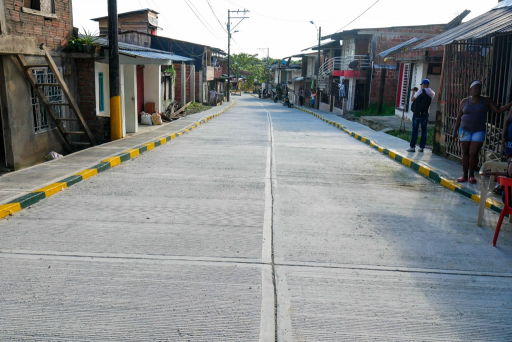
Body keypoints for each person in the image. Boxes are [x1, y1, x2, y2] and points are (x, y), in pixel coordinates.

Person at [453, 80, 512, 183]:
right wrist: (454, 131)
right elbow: (459, 118)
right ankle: (464, 175)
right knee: (465, 153)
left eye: (479, 88)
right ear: (470, 90)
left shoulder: (486, 100)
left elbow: (498, 110)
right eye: (475, 88)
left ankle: (471, 174)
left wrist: (510, 104)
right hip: (464, 130)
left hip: (478, 131)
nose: (477, 90)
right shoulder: (464, 101)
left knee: (473, 152)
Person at [407, 79, 435, 153]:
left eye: (422, 84)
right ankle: (422, 147)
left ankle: (412, 147)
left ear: (424, 85)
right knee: (424, 130)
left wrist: (414, 92)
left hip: (417, 113)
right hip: (425, 113)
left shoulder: (420, 91)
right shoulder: (432, 93)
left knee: (415, 130)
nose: (422, 86)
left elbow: (413, 99)